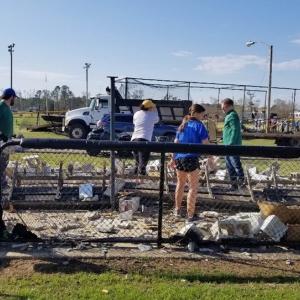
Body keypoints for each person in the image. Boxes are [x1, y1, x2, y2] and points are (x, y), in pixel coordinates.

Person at [170, 104, 210, 222]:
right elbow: (206, 143)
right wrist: (211, 157)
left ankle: (177, 210)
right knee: (193, 187)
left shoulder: (183, 124)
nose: (203, 117)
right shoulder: (199, 125)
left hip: (180, 159)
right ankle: (190, 215)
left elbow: (176, 142)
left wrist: (173, 158)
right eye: (202, 114)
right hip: (192, 158)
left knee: (180, 184)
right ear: (197, 113)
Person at [0, 88, 17, 239]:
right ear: (11, 97)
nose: (14, 100)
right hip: (0, 145)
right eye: (14, 98)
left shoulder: (7, 108)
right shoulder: (1, 107)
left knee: (3, 172)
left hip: (5, 146)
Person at [221, 98, 245, 190]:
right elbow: (230, 130)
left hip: (232, 146)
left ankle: (241, 184)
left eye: (223, 107)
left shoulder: (232, 115)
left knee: (236, 165)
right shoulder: (229, 115)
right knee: (229, 166)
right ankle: (234, 184)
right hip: (228, 145)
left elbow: (235, 130)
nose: (222, 109)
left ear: (228, 106)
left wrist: (230, 143)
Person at [131, 99, 159, 175]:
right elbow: (157, 120)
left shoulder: (136, 114)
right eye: (152, 107)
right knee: (143, 163)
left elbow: (135, 122)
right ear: (149, 108)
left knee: (137, 162)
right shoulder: (153, 115)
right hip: (144, 139)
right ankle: (141, 180)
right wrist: (155, 110)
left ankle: (134, 179)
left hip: (134, 139)